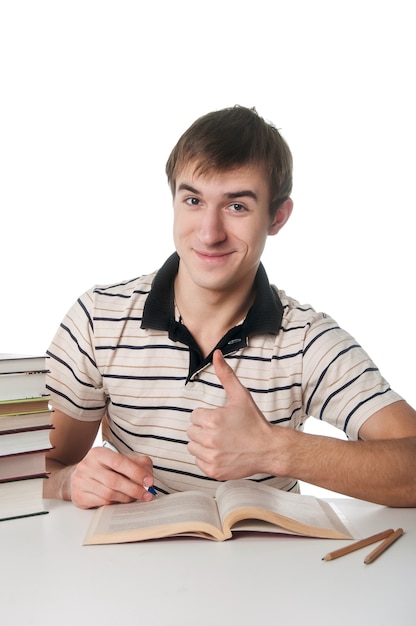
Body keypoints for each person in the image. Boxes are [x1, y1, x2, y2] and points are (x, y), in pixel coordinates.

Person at [44, 105, 416, 509]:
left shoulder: (309, 340)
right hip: (126, 565)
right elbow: (34, 465)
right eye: (193, 200)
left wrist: (277, 450)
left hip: (269, 570)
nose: (209, 233)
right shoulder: (98, 318)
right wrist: (68, 481)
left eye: (236, 206)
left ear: (277, 216)